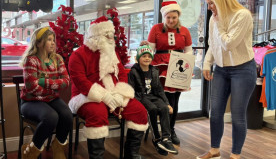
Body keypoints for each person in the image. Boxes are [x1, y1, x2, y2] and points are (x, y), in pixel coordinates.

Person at [68, 16, 148, 159]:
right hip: (86, 97)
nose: (112, 38)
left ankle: (132, 154)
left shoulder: (112, 52)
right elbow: (81, 83)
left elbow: (122, 74)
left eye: (112, 35)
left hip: (114, 94)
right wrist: (104, 96)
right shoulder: (78, 55)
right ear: (96, 36)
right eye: (108, 35)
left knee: (139, 111)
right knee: (97, 114)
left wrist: (118, 94)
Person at [197, 0, 257, 159]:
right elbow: (213, 45)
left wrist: (220, 24)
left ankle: (235, 155)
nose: (209, 8)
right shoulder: (213, 18)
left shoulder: (242, 16)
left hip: (243, 70)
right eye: (208, 4)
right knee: (215, 112)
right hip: (221, 70)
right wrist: (207, 63)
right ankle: (215, 150)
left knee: (238, 115)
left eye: (212, 3)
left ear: (222, 1)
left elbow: (229, 44)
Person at [19, 27, 73, 159]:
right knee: (51, 117)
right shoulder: (31, 60)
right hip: (30, 101)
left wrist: (44, 82)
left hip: (51, 99)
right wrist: (54, 85)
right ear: (38, 43)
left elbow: (66, 81)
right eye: (49, 40)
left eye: (53, 40)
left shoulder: (57, 59)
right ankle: (30, 152)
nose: (53, 43)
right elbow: (32, 88)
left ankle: (58, 146)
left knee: (67, 115)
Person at [145, 1, 193, 145]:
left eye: (174, 17)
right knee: (163, 101)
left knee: (174, 101)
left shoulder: (185, 31)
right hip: (160, 69)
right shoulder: (156, 29)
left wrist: (187, 66)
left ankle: (171, 130)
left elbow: (188, 50)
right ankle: (162, 132)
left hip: (177, 67)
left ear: (178, 16)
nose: (171, 20)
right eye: (168, 17)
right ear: (164, 17)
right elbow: (149, 50)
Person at [128, 45, 178, 156]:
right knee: (153, 109)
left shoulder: (154, 71)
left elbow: (160, 90)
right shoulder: (134, 72)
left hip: (154, 96)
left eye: (149, 56)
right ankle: (156, 139)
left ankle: (166, 139)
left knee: (164, 108)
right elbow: (131, 90)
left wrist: (167, 103)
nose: (147, 58)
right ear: (138, 58)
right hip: (141, 97)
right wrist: (136, 102)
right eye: (144, 56)